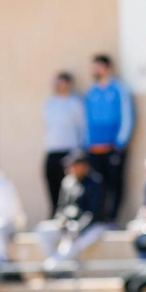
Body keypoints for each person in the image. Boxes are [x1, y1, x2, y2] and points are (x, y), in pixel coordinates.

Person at [35, 150, 107, 272]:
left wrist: (78, 227)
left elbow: (94, 213)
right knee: (43, 230)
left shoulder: (95, 183)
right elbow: (61, 207)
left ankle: (51, 268)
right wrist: (61, 219)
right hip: (68, 224)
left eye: (73, 166)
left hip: (90, 227)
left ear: (83, 166)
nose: (70, 169)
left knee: (70, 244)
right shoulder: (68, 182)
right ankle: (56, 267)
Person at [84, 53, 134, 223]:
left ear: (107, 67)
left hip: (113, 147)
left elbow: (127, 116)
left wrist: (120, 142)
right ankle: (99, 217)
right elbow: (87, 119)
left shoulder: (119, 89)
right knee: (98, 185)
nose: (95, 70)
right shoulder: (92, 92)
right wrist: (87, 143)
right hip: (95, 148)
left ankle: (113, 218)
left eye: (98, 66)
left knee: (115, 184)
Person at [42, 72, 87, 212]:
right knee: (52, 184)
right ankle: (54, 212)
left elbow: (82, 126)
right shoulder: (50, 104)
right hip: (52, 149)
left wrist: (79, 150)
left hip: (69, 150)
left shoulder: (75, 103)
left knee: (68, 186)